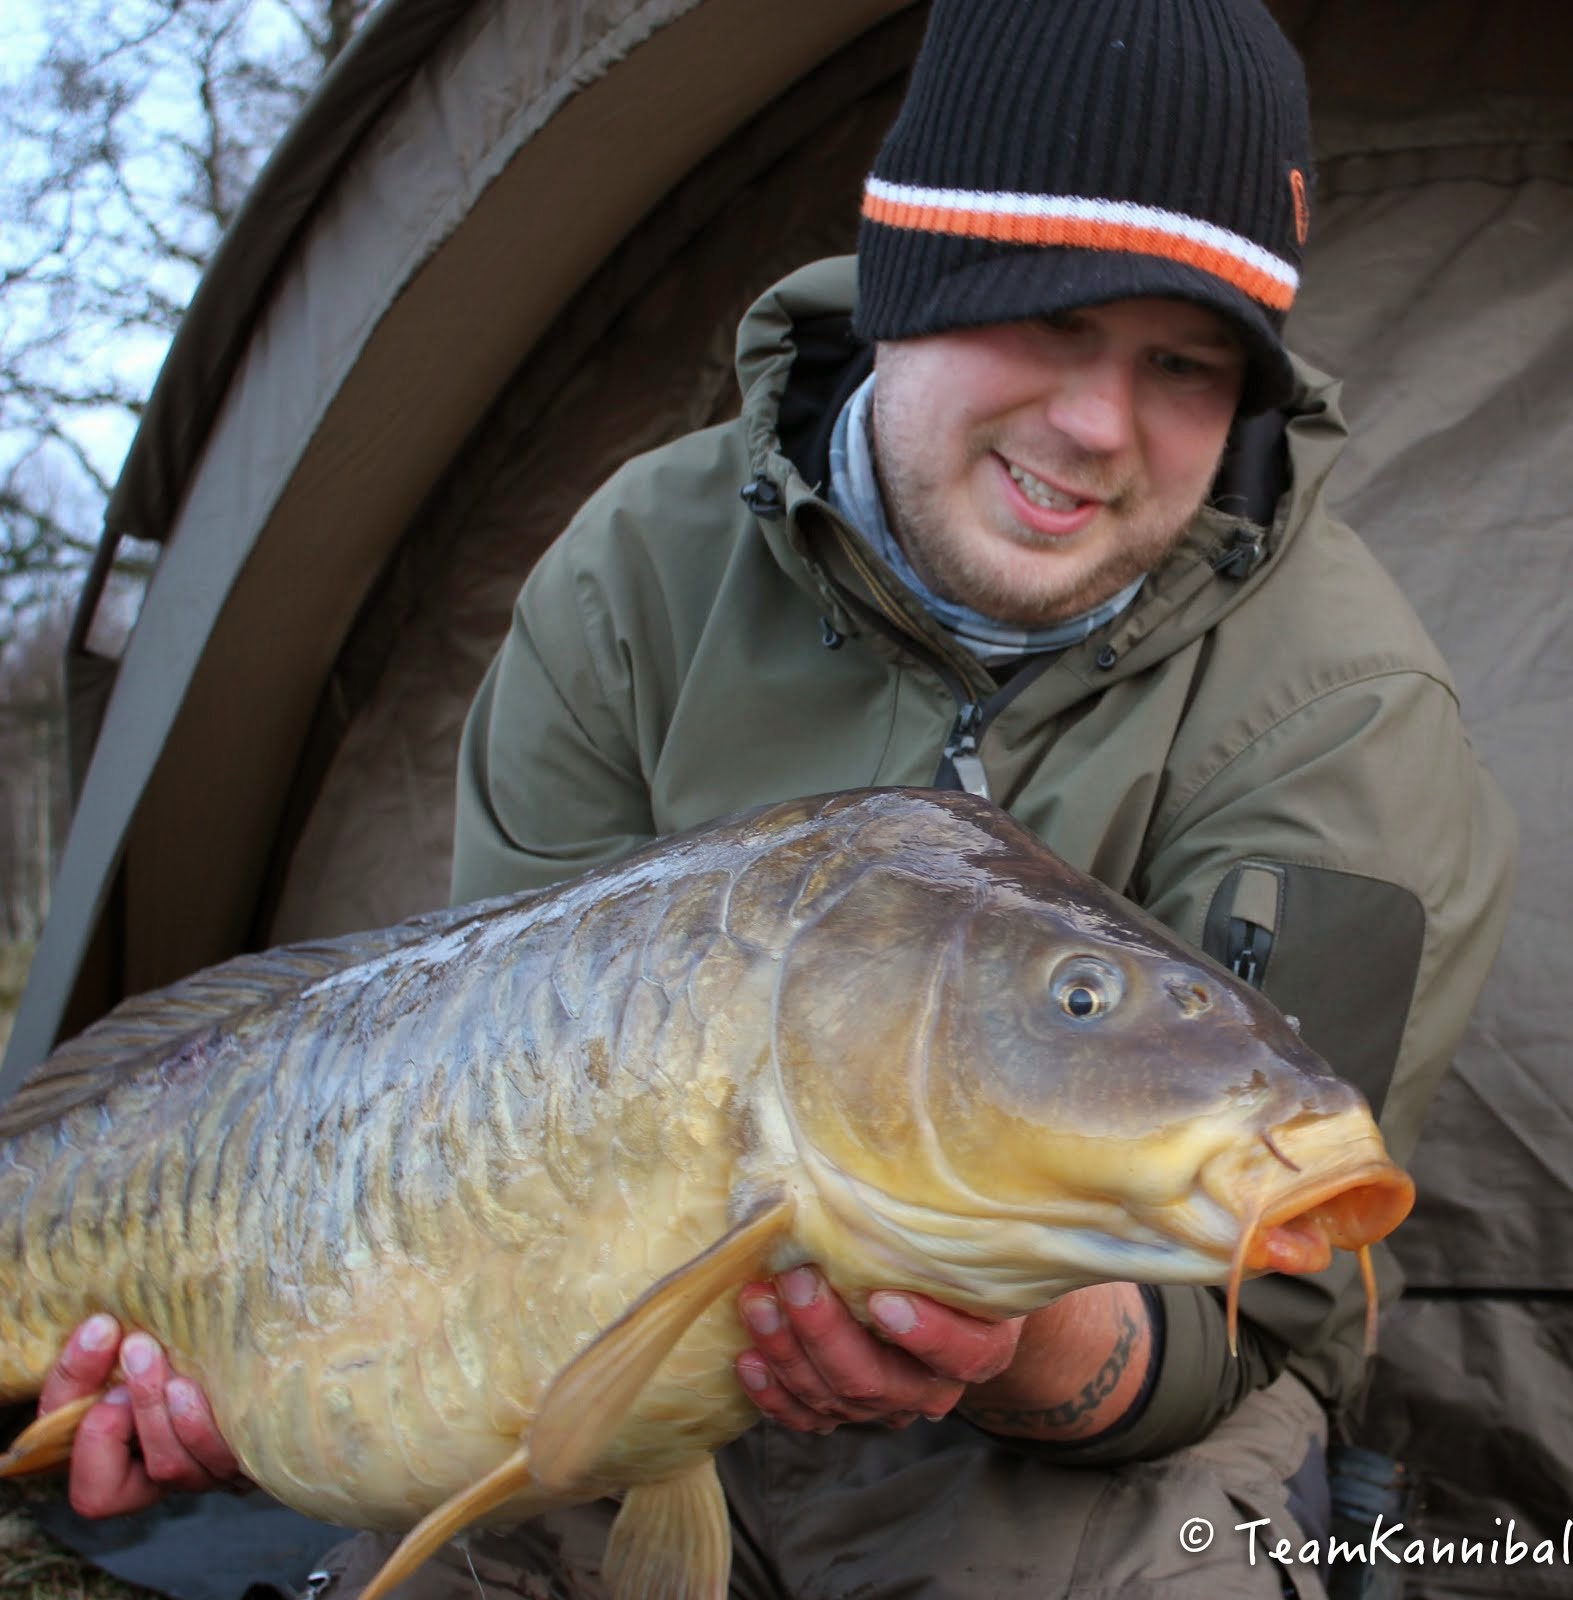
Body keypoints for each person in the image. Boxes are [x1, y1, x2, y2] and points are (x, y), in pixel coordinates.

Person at [38, 0, 1516, 1595]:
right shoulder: (634, 571)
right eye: (1049, 318)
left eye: (1183, 365)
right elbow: (461, 1099)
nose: (1098, 428)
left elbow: (1261, 1324)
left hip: (1063, 1442)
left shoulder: (1349, 716)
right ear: (903, 291)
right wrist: (248, 1365)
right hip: (583, 1341)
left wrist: (1015, 1351)